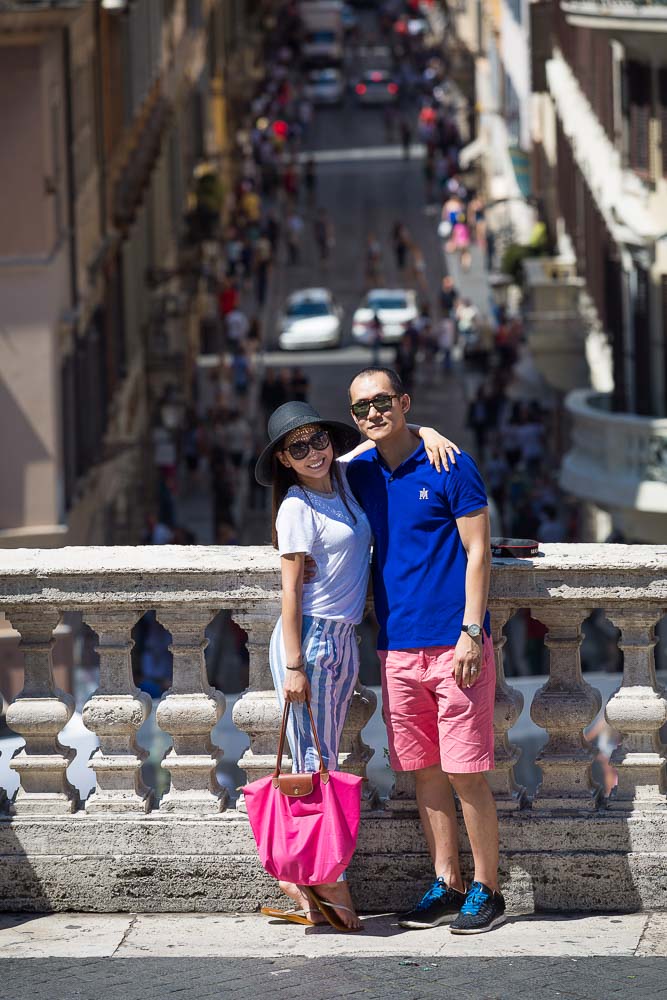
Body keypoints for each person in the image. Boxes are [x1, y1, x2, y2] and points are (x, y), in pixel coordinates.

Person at [254, 400, 458, 932]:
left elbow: (384, 433)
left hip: (343, 641)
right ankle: (321, 882)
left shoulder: (341, 479)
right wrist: (295, 664)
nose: (313, 452)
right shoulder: (296, 507)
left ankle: (305, 878)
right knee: (309, 764)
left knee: (316, 757)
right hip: (313, 642)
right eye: (298, 448)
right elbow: (290, 593)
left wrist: (427, 428)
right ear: (284, 460)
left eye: (318, 439)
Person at [345, 367, 505, 935]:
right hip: (396, 649)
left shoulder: (449, 463)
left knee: (465, 772)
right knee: (425, 773)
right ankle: (448, 882)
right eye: (361, 408)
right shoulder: (357, 472)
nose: (372, 414)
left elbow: (478, 551)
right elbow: (305, 469)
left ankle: (487, 888)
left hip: (455, 644)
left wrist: (471, 631)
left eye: (382, 402)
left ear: (404, 401)